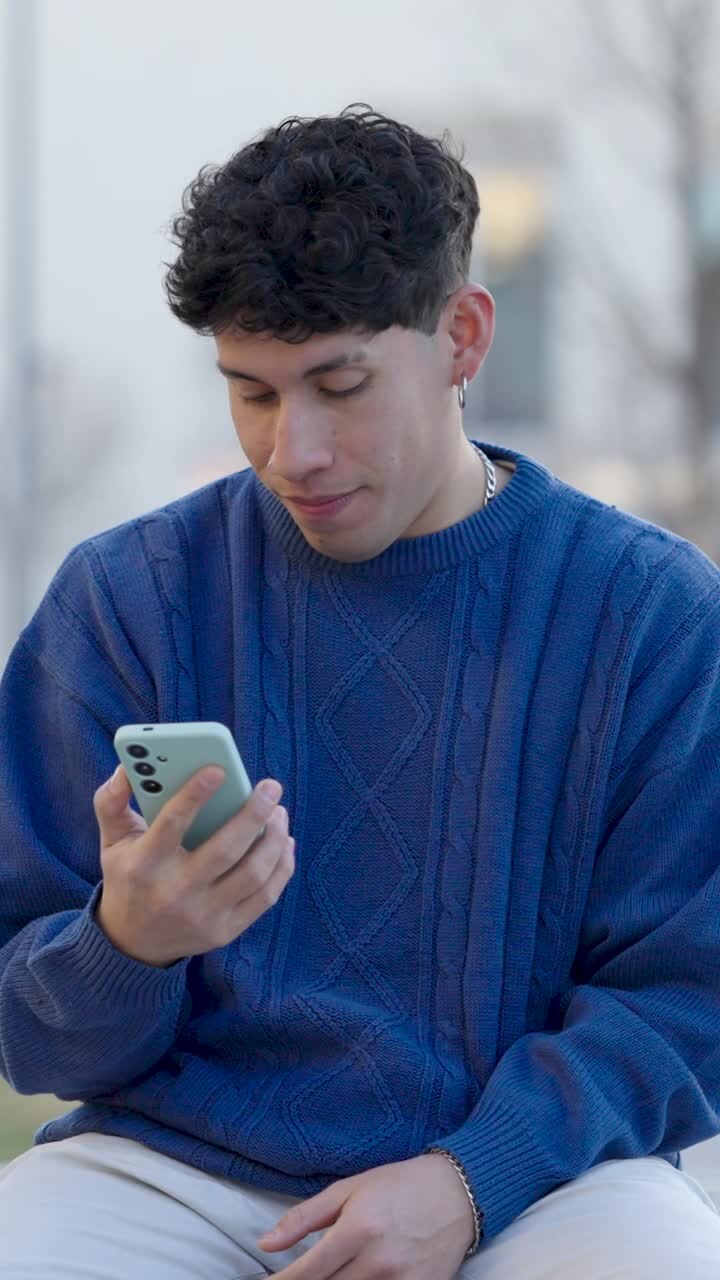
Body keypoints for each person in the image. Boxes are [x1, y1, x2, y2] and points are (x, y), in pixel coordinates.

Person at [0, 103, 718, 1280]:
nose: (295, 451)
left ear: (463, 336)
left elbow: (688, 995)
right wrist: (125, 943)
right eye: (253, 392)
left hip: (538, 1177)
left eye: (340, 384)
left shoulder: (651, 613)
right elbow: (31, 1037)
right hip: (172, 1163)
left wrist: (471, 1179)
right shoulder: (127, 598)